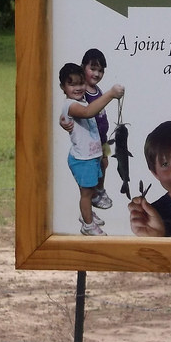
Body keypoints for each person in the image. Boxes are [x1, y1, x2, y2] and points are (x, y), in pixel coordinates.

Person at [58, 62, 125, 236]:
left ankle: (88, 213)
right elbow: (88, 112)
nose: (78, 88)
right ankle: (87, 225)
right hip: (83, 160)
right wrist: (111, 94)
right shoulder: (71, 105)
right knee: (86, 194)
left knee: (93, 186)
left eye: (81, 83)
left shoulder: (81, 100)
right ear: (62, 87)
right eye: (71, 84)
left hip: (93, 155)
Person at [61, 49, 116, 210]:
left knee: (104, 163)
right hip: (91, 143)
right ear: (83, 66)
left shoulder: (97, 90)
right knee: (93, 167)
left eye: (101, 70)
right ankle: (93, 195)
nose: (97, 74)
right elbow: (71, 108)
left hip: (103, 138)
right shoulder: (81, 92)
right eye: (93, 68)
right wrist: (62, 121)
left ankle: (100, 189)